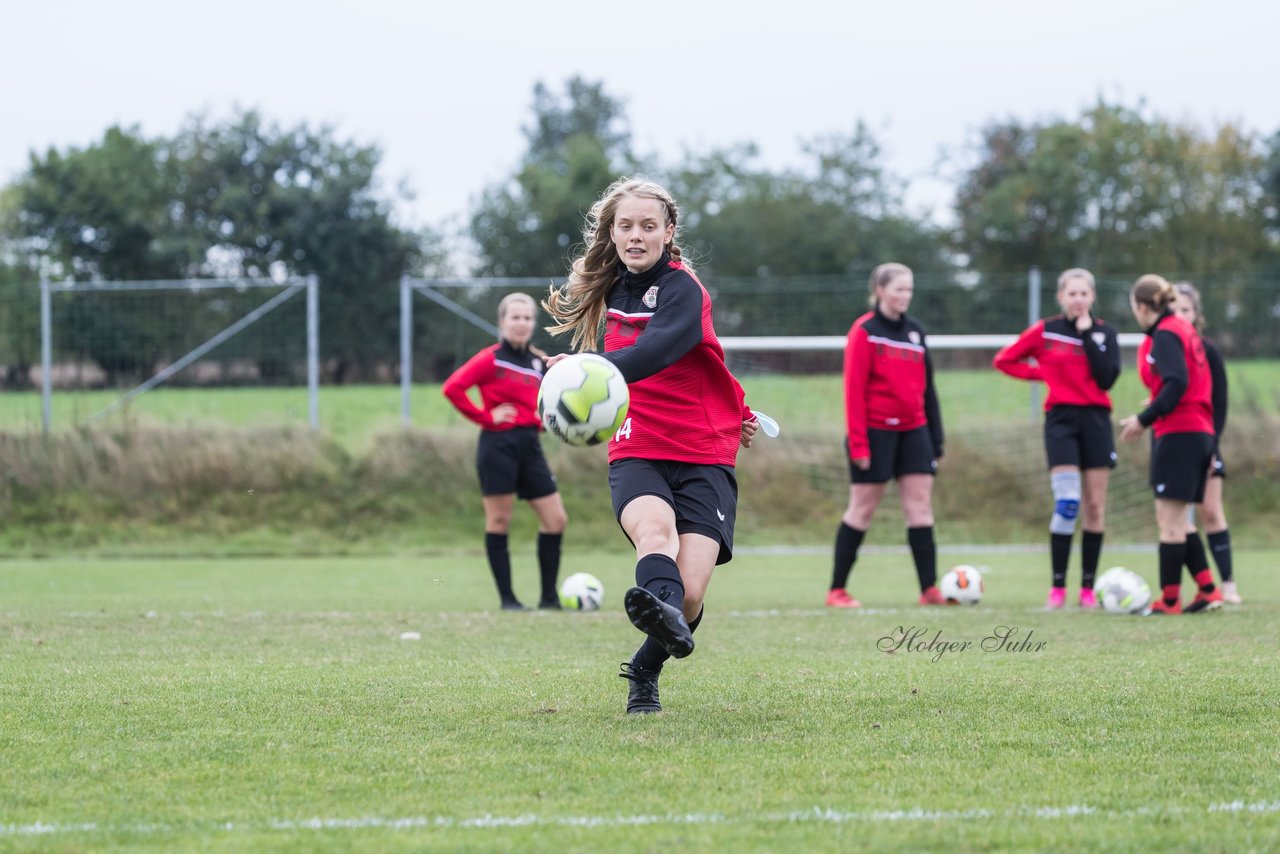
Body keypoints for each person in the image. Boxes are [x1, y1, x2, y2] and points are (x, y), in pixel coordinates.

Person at [542, 177, 760, 714]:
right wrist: (576, 374)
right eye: (625, 226)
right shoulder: (611, 285)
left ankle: (644, 664)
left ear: (669, 231)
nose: (635, 235)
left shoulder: (684, 289)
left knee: (688, 595)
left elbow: (662, 350)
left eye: (647, 225)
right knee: (654, 534)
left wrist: (587, 366)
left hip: (704, 448)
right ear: (611, 233)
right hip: (637, 443)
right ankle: (651, 667)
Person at [993, 268, 1121, 610]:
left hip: (1096, 420)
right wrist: (1042, 374)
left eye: (1084, 293)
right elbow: (1004, 360)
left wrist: (1087, 335)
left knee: (1095, 507)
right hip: (1061, 421)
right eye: (1072, 293)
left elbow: (1106, 378)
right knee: (1068, 503)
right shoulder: (1046, 331)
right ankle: (1058, 588)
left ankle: (1087, 590)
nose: (1078, 299)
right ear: (1061, 297)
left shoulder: (1105, 332)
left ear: (1092, 297)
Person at [827, 262, 945, 609]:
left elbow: (929, 390)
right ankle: (837, 590)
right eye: (899, 289)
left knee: (920, 509)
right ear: (880, 290)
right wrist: (859, 443)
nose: (905, 296)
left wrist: (936, 440)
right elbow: (854, 390)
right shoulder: (865, 331)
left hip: (915, 432)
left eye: (909, 289)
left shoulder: (916, 332)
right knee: (862, 510)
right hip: (876, 433)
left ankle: (929, 590)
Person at [442, 293, 569, 611]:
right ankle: (508, 600)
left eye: (527, 318)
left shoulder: (538, 362)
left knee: (556, 520)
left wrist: (545, 423)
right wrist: (486, 417)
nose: (522, 323)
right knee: (499, 521)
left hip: (530, 445)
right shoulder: (491, 358)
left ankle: (549, 599)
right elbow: (453, 388)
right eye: (515, 317)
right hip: (497, 446)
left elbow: (546, 402)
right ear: (502, 322)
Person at [1118, 275, 1222, 614]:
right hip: (1197, 431)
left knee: (1169, 521)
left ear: (1142, 306)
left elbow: (1177, 381)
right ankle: (1207, 589)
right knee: (1182, 520)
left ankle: (1170, 600)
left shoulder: (1165, 333)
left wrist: (1143, 418)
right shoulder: (1182, 328)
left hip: (1180, 431)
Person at [1172, 282, 1239, 604]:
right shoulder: (1165, 346)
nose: (1179, 316)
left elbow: (1220, 403)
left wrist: (1213, 446)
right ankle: (1193, 585)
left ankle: (1228, 584)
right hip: (1174, 440)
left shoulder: (1207, 350)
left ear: (1197, 315)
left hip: (1205, 440)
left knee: (1210, 510)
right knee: (1176, 517)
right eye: (1174, 310)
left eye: (1186, 309)